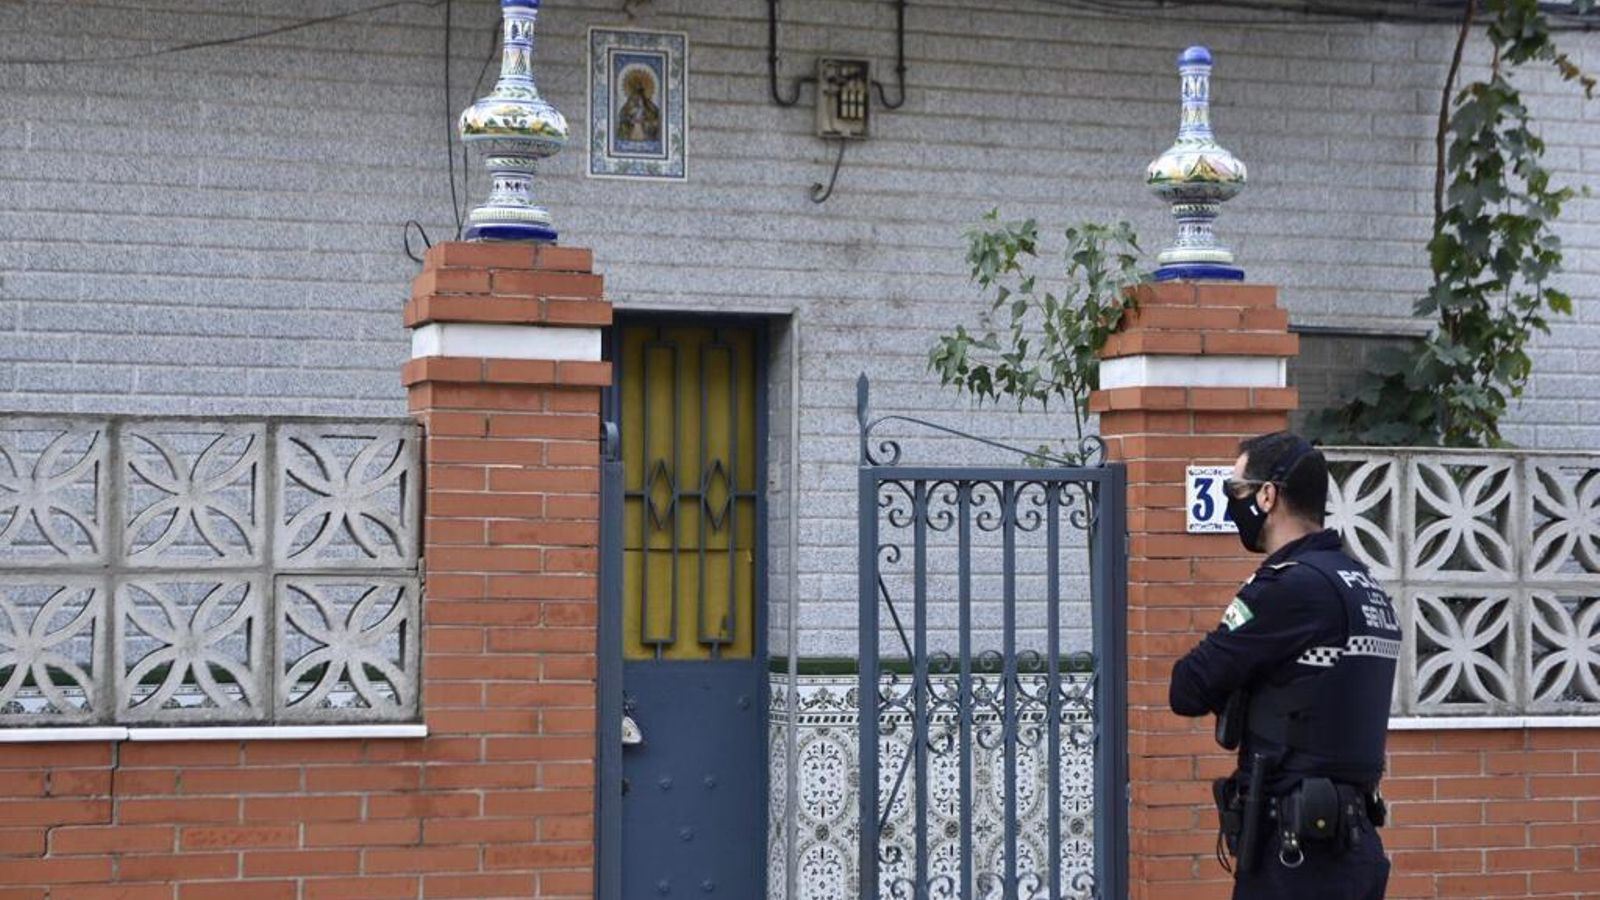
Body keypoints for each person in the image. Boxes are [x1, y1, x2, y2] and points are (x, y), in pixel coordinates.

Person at [1169, 431, 1399, 900]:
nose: (1233, 504)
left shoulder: (1289, 588)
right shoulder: (1363, 584)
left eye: (1236, 491)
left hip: (1296, 858)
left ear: (1267, 495)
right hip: (1351, 848)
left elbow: (1188, 688)